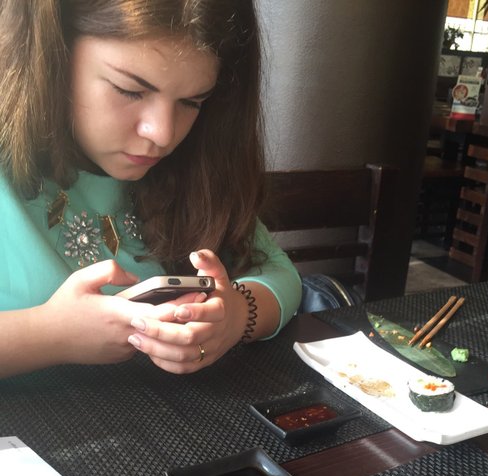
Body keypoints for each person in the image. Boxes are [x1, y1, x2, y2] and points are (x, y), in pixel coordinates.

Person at [0, 0, 302, 379]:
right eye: (130, 90)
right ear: (52, 53)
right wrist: (51, 334)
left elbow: (278, 273)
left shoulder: (192, 165)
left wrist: (235, 316)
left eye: (192, 102)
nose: (162, 133)